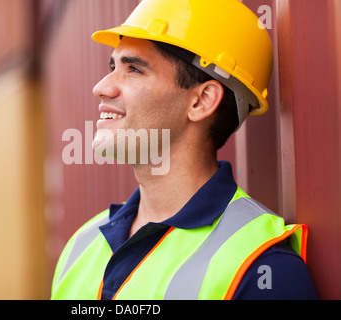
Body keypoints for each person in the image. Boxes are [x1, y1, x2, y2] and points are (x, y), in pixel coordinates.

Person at [51, 0, 317, 300]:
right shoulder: (82, 244)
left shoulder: (261, 267)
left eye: (134, 69)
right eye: (113, 67)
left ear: (201, 101)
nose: (101, 87)